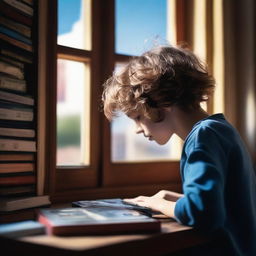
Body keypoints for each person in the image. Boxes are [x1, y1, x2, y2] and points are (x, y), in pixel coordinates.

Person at [101, 45, 256, 256]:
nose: (137, 129)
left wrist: (156, 203)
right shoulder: (220, 129)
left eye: (137, 117)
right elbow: (222, 202)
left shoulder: (203, 137)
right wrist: (172, 199)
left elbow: (203, 214)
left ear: (161, 101)